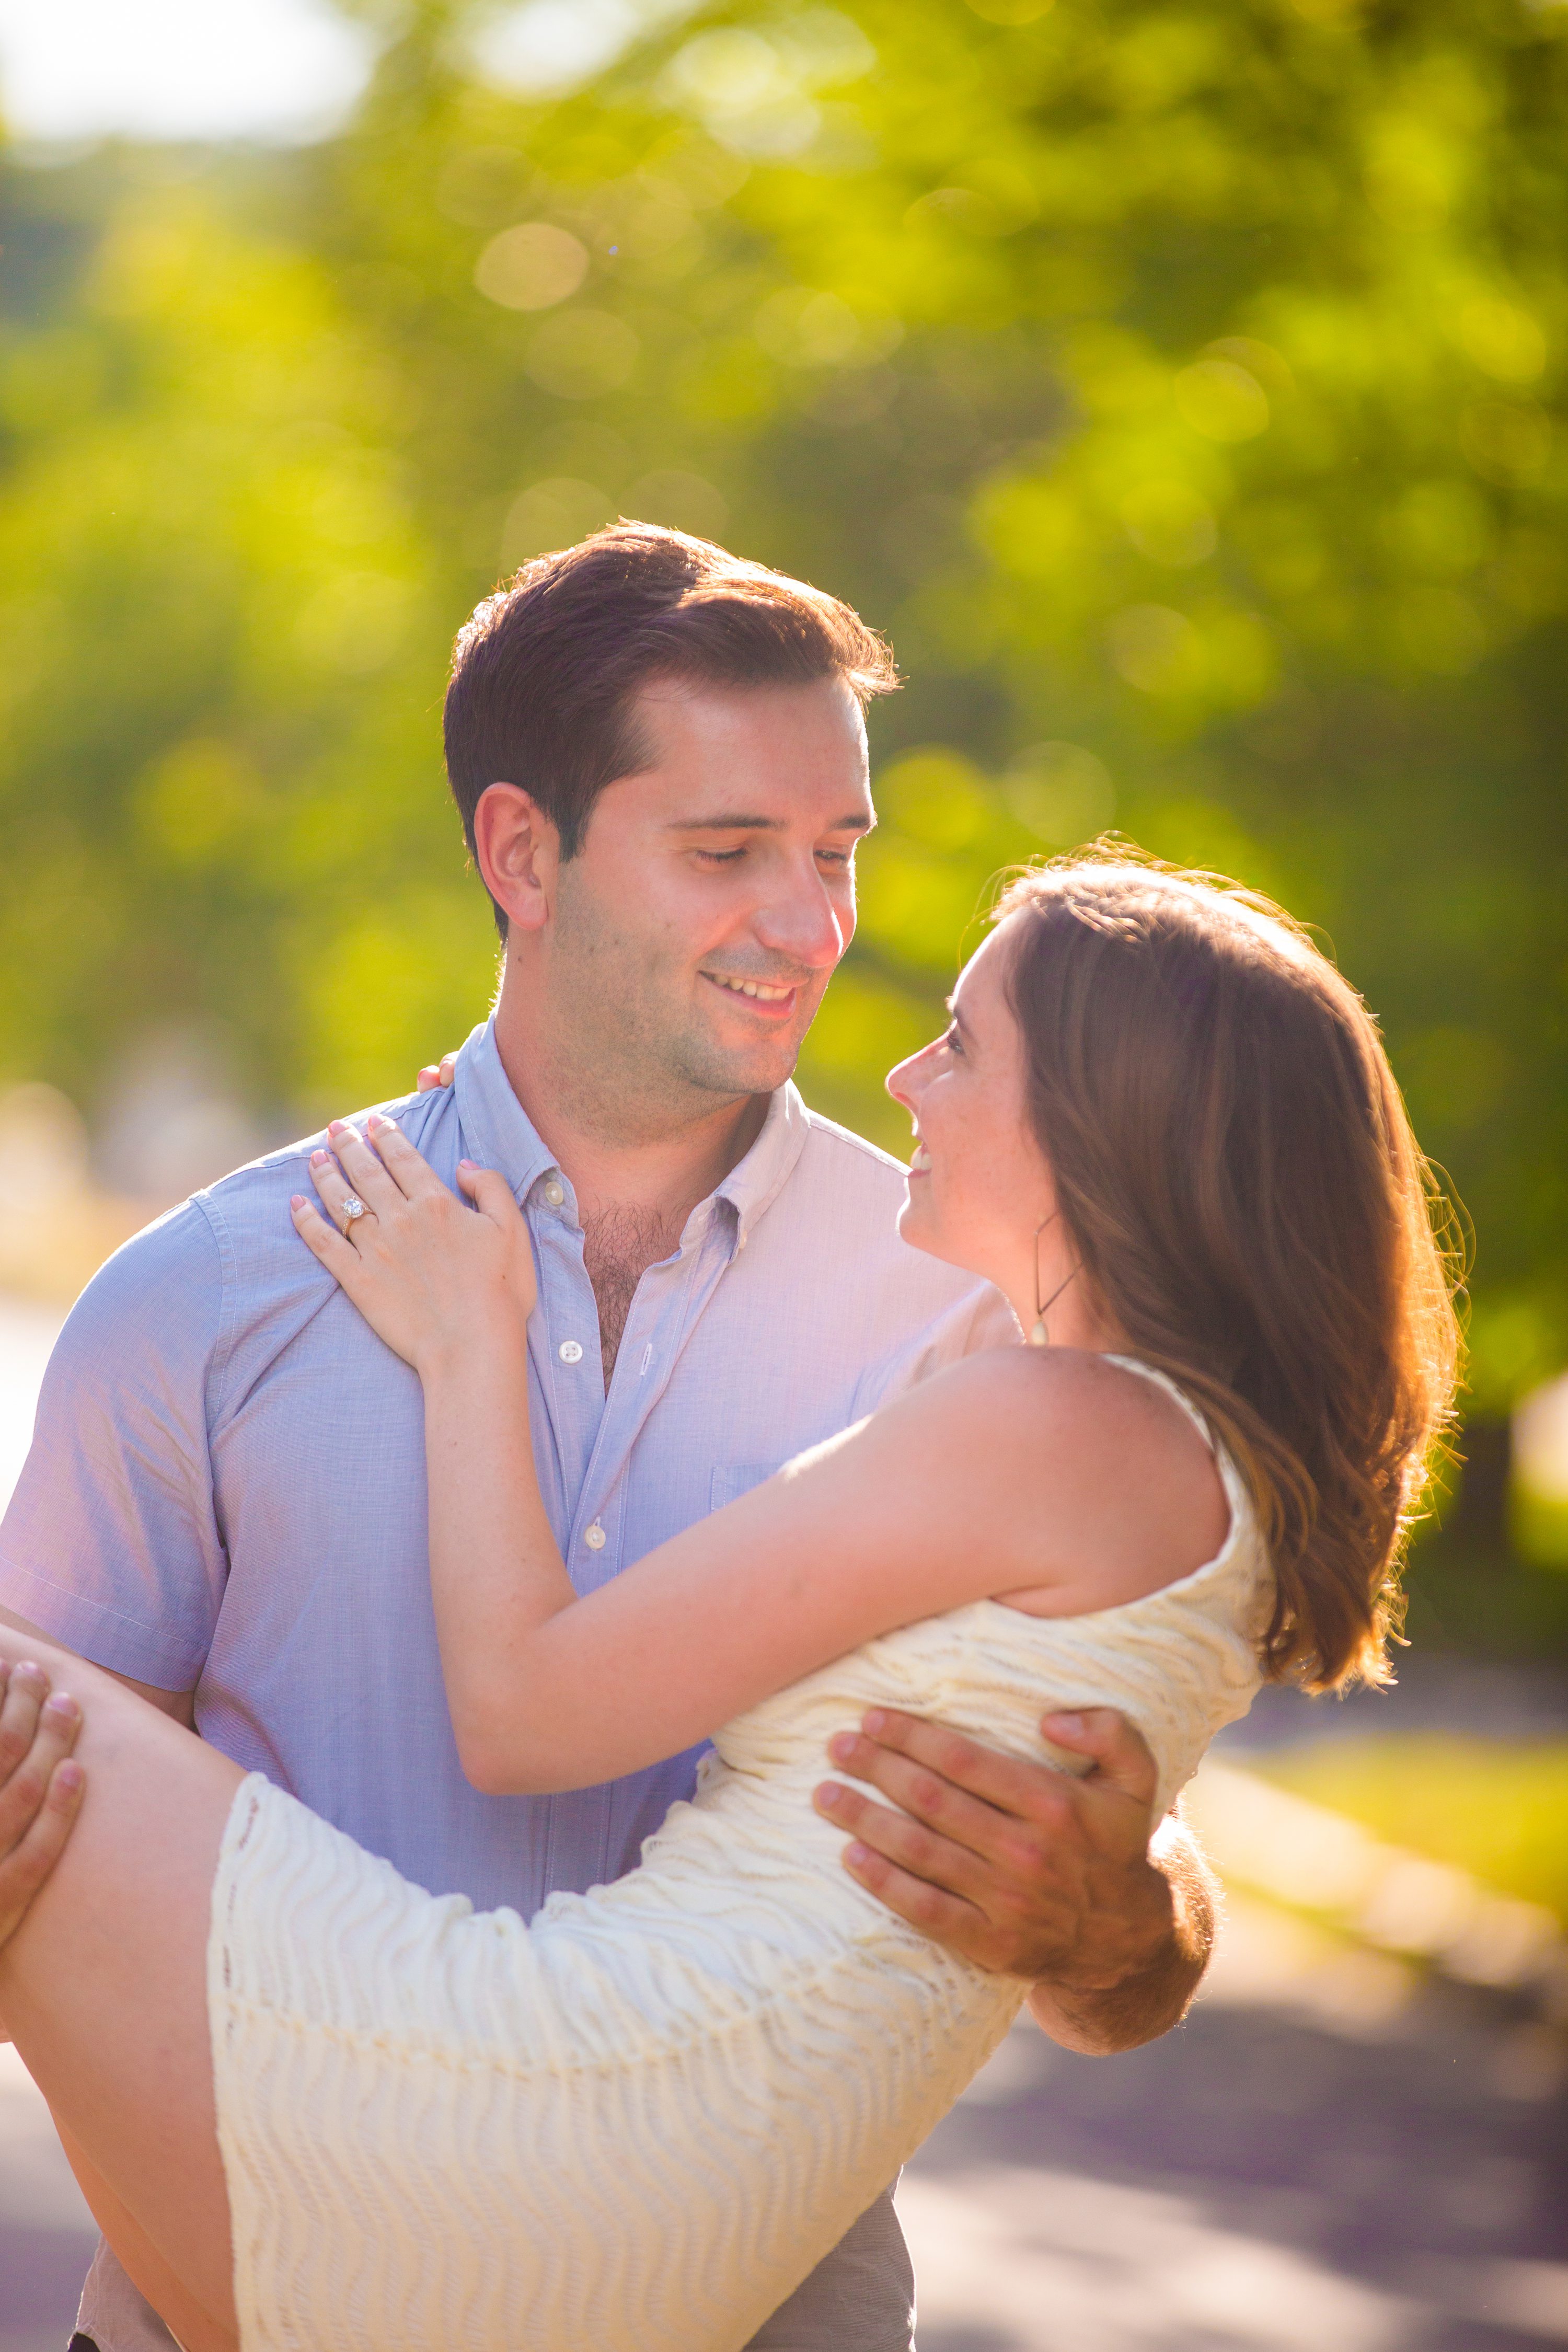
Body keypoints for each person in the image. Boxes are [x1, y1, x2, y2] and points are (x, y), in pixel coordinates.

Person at [0, 527, 1220, 2352]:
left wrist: (1123, 1914)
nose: (807, 926)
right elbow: (53, 1834)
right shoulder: (205, 1302)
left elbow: (1134, 1941)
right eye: (727, 852)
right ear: (522, 852)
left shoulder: (973, 1334)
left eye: (835, 853)